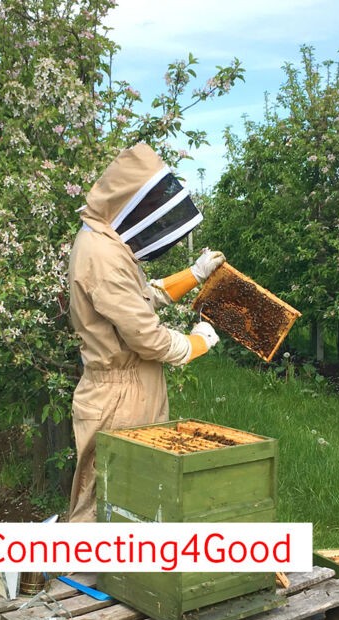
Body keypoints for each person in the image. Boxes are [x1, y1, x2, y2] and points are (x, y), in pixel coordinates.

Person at [67, 142, 226, 523]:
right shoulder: (102, 257)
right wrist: (196, 343)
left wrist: (194, 275)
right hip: (119, 397)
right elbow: (147, 338)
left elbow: (140, 298)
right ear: (127, 204)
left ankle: (123, 574)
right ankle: (81, 578)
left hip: (126, 388)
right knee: (109, 499)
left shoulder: (103, 240)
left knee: (130, 499)